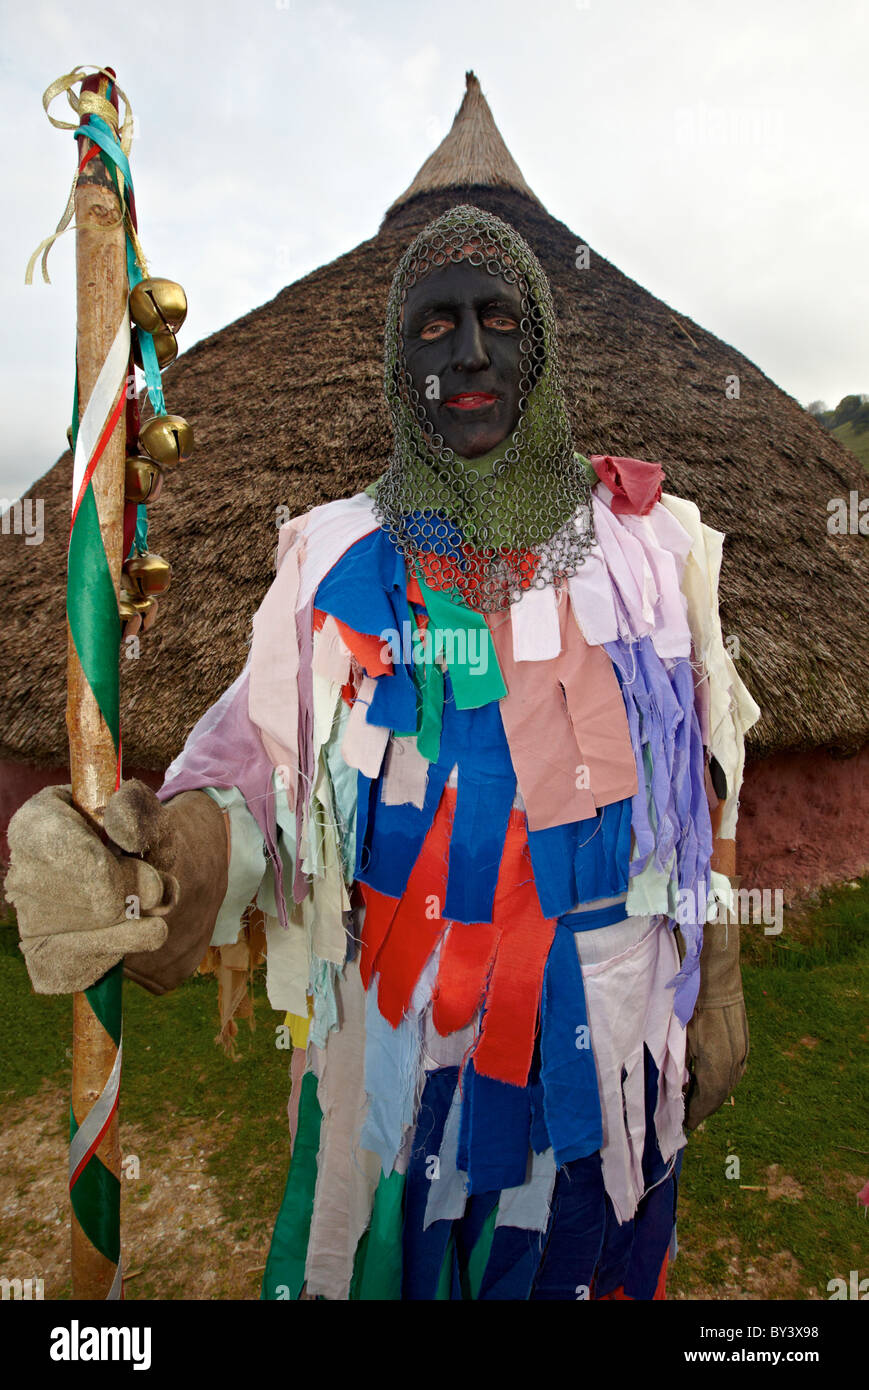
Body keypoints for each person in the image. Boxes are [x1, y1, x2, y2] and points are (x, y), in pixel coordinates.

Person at [5, 204, 759, 1301]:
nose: (464, 355)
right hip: (406, 1089)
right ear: (392, 363)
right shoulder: (333, 563)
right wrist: (154, 866)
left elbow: (703, 787)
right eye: (430, 327)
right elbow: (260, 781)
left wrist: (721, 978)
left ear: (539, 348)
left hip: (613, 1077)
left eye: (497, 320)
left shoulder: (657, 552)